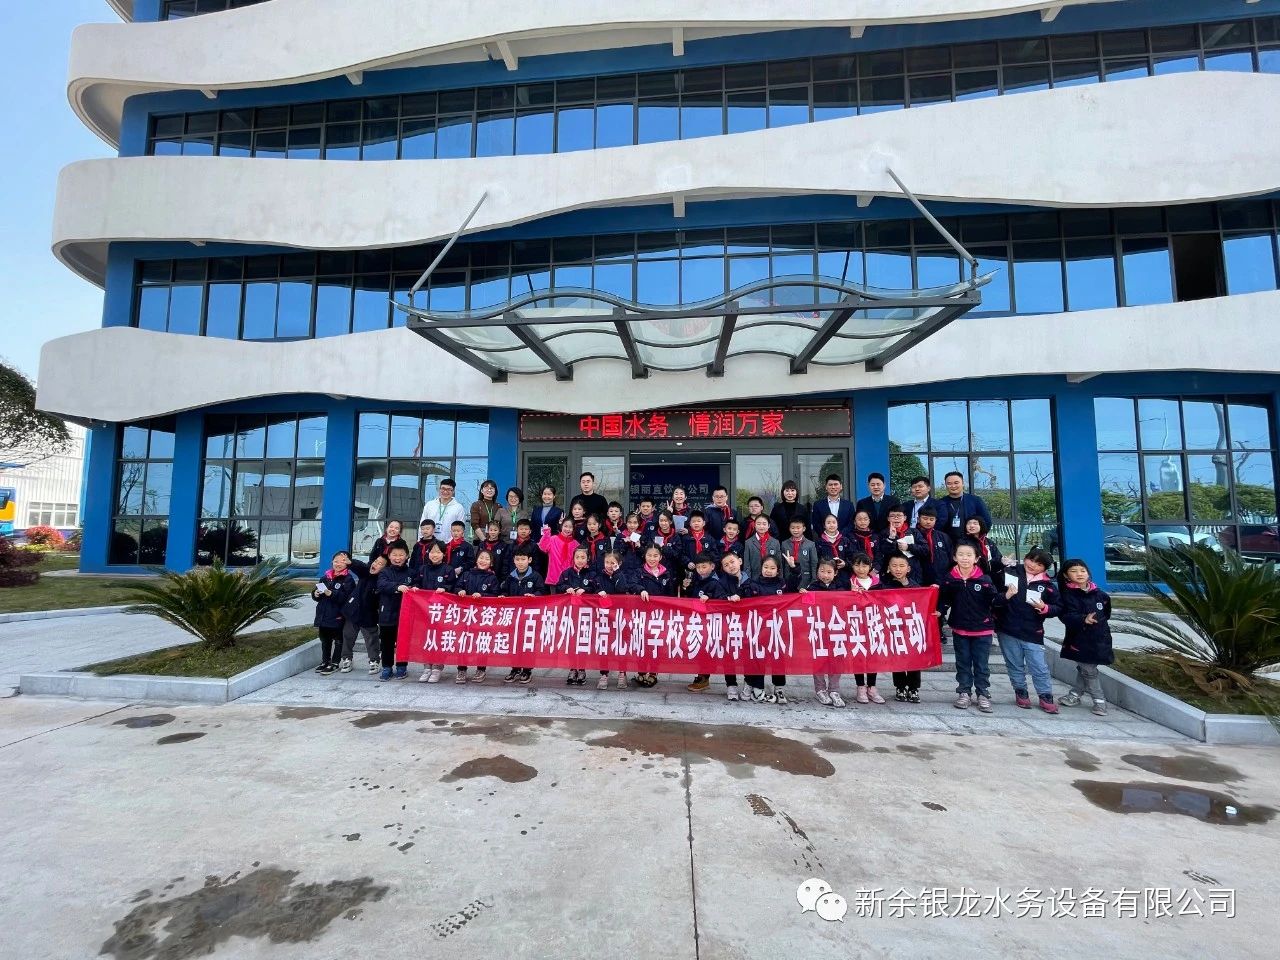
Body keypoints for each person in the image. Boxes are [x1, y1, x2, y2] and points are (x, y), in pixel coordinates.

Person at [995, 548, 1060, 713]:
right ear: (1025, 558)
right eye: (1031, 560)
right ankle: (1020, 691)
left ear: (1045, 568)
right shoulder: (1009, 572)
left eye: (1039, 564)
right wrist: (1000, 566)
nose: (1033, 565)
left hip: (1032, 631)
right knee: (1014, 664)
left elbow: (1059, 607)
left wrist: (1045, 608)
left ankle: (1045, 695)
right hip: (1008, 628)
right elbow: (993, 595)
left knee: (1039, 666)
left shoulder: (1048, 586)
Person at [939, 542, 998, 713]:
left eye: (969, 555)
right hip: (960, 628)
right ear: (954, 557)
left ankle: (983, 693)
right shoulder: (949, 579)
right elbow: (944, 599)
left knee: (981, 664)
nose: (965, 558)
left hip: (983, 629)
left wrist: (1007, 596)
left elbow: (994, 601)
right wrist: (940, 611)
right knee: (963, 662)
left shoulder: (984, 579)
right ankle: (964, 692)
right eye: (961, 554)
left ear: (976, 558)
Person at [1056, 559, 1113, 716]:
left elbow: (1106, 614)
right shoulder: (1066, 596)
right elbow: (1065, 616)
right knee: (1088, 670)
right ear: (1066, 575)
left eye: (1082, 570)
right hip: (1079, 639)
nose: (1079, 574)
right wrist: (1083, 619)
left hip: (1100, 638)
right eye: (1074, 571)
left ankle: (1075, 695)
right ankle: (1099, 701)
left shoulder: (1101, 595)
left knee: (1086, 668)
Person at [876, 554, 922, 702]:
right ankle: (900, 687)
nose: (898, 569)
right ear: (889, 568)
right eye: (894, 566)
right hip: (894, 627)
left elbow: (922, 604)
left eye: (902, 566)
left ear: (908, 568)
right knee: (898, 658)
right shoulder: (884, 586)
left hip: (911, 627)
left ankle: (914, 688)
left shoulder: (916, 587)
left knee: (914, 658)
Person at [631, 544, 677, 688]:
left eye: (655, 556)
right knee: (642, 643)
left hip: (659, 616)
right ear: (644, 556)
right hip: (642, 614)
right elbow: (632, 584)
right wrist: (641, 589)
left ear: (660, 557)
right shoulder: (639, 572)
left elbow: (671, 594)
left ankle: (653, 673)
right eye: (649, 555)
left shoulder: (666, 573)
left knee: (656, 644)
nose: (652, 558)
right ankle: (641, 671)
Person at [453, 549, 499, 684]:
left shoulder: (492, 578)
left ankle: (481, 669)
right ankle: (461, 669)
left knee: (482, 641)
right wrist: (460, 590)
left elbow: (495, 595)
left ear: (491, 563)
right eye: (481, 558)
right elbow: (456, 587)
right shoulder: (466, 574)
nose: (483, 561)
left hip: (483, 616)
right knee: (464, 641)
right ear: (476, 559)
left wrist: (482, 595)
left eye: (487, 559)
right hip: (466, 615)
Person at [685, 554, 728, 693]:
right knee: (699, 648)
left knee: (706, 650)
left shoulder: (716, 582)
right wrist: (686, 587)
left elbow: (721, 601)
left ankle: (704, 678)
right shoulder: (697, 579)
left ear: (712, 566)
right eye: (698, 567)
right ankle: (700, 675)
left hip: (709, 622)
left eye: (704, 567)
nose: (701, 570)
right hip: (697, 620)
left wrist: (710, 597)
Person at [501, 548, 544, 684]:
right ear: (514, 561)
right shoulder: (510, 577)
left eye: (523, 559)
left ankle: (527, 670)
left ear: (529, 560)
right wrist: (503, 596)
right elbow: (505, 591)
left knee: (527, 643)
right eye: (517, 559)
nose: (520, 562)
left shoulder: (536, 576)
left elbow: (542, 591)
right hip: (514, 616)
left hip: (530, 617)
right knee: (514, 643)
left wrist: (534, 595)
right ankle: (515, 669)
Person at [414, 542, 456, 683]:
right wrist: (415, 588)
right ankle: (427, 667)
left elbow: (453, 587)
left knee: (439, 638)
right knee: (426, 638)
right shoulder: (423, 569)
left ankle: (437, 667)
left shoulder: (448, 569)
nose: (435, 555)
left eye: (438, 552)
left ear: (444, 554)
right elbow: (417, 583)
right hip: (424, 610)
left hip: (441, 611)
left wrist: (445, 589)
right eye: (432, 552)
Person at [712, 552, 751, 701]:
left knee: (748, 654)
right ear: (723, 568)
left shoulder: (750, 580)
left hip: (747, 624)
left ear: (740, 561)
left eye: (732, 562)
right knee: (729, 655)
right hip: (729, 624)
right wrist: (729, 599)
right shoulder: (721, 582)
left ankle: (748, 683)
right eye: (726, 565)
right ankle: (731, 685)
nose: (730, 566)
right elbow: (718, 600)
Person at [847, 553, 886, 704]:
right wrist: (850, 593)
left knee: (873, 655)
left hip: (873, 622)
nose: (861, 569)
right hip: (856, 623)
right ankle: (860, 686)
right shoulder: (849, 582)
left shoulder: (877, 582)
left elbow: (885, 599)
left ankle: (872, 686)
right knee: (858, 654)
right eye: (857, 565)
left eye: (864, 565)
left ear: (870, 567)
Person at [556, 547, 598, 686]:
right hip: (570, 613)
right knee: (571, 640)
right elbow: (558, 586)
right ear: (573, 558)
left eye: (583, 557)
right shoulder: (566, 573)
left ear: (588, 559)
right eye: (577, 557)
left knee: (583, 641)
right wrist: (565, 588)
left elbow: (596, 589)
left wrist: (585, 590)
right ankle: (572, 668)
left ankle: (582, 669)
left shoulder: (592, 574)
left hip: (586, 614)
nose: (580, 560)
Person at [312, 550, 358, 675]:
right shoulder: (325, 577)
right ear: (332, 562)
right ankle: (325, 661)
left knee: (338, 640)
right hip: (323, 615)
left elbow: (347, 598)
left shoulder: (348, 579)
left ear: (348, 563)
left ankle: (335, 662)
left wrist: (331, 593)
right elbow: (316, 594)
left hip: (337, 615)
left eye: (342, 561)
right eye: (336, 561)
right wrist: (315, 594)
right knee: (325, 640)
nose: (338, 564)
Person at [375, 544, 415, 681]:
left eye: (401, 555)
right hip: (387, 613)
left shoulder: (411, 573)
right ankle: (386, 667)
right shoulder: (384, 572)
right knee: (387, 642)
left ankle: (402, 666)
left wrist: (415, 588)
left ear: (407, 556)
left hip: (406, 614)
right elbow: (381, 585)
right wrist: (397, 587)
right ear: (389, 556)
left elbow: (418, 585)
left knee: (403, 642)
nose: (398, 558)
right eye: (394, 555)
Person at [595, 552, 631, 690]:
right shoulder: (599, 577)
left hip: (620, 616)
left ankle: (622, 672)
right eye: (607, 562)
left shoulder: (622, 575)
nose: (609, 565)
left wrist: (617, 573)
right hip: (604, 617)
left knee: (621, 644)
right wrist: (598, 592)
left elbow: (622, 588)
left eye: (613, 563)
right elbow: (595, 589)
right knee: (604, 645)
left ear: (619, 564)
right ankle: (604, 674)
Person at [344, 554, 385, 676]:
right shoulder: (365, 572)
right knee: (348, 636)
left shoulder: (382, 581)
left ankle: (374, 661)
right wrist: (351, 562)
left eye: (380, 564)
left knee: (371, 639)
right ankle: (346, 658)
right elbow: (359, 566)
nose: (375, 564)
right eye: (376, 561)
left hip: (369, 615)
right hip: (353, 612)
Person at [936, 471, 993, 541]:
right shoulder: (940, 503)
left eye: (956, 483)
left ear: (963, 483)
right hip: (947, 543)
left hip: (971, 543)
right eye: (949, 483)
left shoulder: (975, 500)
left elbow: (987, 522)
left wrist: (978, 538)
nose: (953, 486)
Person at [911, 507, 951, 587]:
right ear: (918, 519)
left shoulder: (943, 536)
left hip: (941, 577)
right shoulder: (911, 534)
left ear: (936, 520)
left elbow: (950, 556)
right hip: (919, 577)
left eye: (931, 519)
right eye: (925, 518)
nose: (928, 522)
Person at [957, 516, 1004, 582]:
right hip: (973, 577)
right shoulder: (963, 542)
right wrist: (992, 564)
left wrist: (1003, 561)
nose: (971, 526)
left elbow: (998, 556)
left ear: (981, 525)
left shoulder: (988, 541)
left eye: (975, 523)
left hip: (992, 576)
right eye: (969, 523)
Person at [882, 507, 923, 583]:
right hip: (892, 573)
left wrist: (909, 547)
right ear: (888, 519)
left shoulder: (914, 532)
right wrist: (891, 538)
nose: (896, 518)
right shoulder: (883, 533)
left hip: (913, 572)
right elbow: (884, 552)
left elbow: (925, 550)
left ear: (905, 518)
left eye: (899, 515)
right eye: (892, 516)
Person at [539, 515, 580, 587]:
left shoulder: (576, 544)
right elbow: (543, 547)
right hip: (554, 577)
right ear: (561, 526)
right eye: (565, 526)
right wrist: (546, 533)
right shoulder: (553, 539)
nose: (567, 529)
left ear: (573, 529)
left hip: (569, 580)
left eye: (570, 527)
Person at [678, 510, 718, 582]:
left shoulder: (709, 538)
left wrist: (707, 563)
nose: (696, 523)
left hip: (705, 572)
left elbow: (714, 554)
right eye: (693, 521)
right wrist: (687, 562)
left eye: (699, 521)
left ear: (704, 523)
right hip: (690, 570)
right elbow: (681, 554)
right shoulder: (685, 538)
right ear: (690, 524)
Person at [743, 513, 784, 581]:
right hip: (755, 579)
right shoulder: (748, 542)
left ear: (768, 526)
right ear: (754, 525)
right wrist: (748, 582)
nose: (761, 526)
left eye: (764, 524)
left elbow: (779, 563)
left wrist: (780, 580)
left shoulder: (775, 542)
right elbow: (747, 565)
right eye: (758, 524)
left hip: (772, 578)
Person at [815, 513, 853, 587]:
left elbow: (852, 558)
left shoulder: (845, 540)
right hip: (826, 577)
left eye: (834, 522)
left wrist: (845, 564)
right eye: (828, 523)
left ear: (837, 524)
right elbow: (816, 560)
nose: (831, 525)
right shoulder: (819, 542)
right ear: (824, 525)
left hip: (843, 576)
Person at [782, 517, 818, 592]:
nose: (795, 530)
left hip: (806, 580)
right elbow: (782, 564)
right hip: (789, 580)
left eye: (798, 528)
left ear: (804, 529)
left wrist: (814, 580)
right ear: (789, 528)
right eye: (793, 528)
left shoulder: (810, 544)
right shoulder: (784, 544)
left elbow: (814, 564)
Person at [470, 479, 510, 543]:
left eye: (492, 488)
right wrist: (484, 541)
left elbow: (501, 525)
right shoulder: (476, 505)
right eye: (486, 488)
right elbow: (474, 524)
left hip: (496, 540)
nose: (489, 490)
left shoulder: (498, 506)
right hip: (480, 540)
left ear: (495, 491)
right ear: (482, 490)